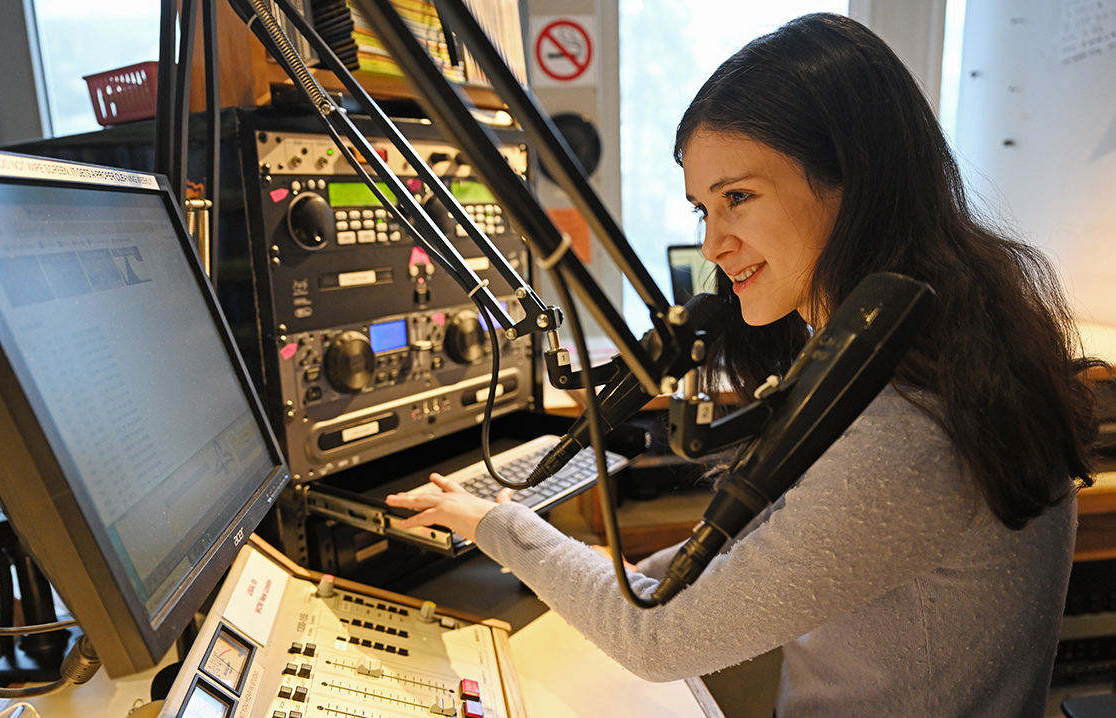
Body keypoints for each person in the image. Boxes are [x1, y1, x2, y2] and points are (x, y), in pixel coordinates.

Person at [387, 13, 1102, 717]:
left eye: (737, 197)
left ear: (852, 178)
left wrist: (499, 527)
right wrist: (608, 570)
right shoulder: (929, 347)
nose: (713, 245)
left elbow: (657, 641)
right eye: (702, 208)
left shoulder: (902, 420)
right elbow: (775, 551)